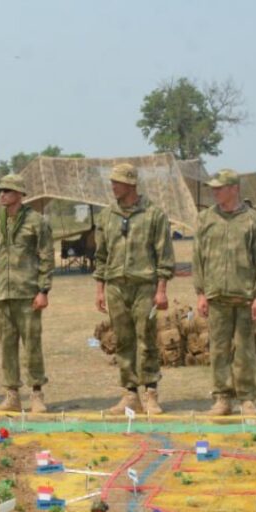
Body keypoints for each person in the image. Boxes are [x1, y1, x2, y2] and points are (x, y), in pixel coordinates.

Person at [94, 162, 174, 415]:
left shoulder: (154, 215)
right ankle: (130, 395)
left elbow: (164, 256)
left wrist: (161, 290)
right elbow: (101, 256)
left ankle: (150, 392)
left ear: (130, 184)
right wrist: (100, 290)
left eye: (117, 183)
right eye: (112, 182)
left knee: (146, 339)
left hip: (145, 287)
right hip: (116, 286)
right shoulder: (106, 216)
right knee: (122, 340)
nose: (113, 187)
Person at [193, 169, 256, 416]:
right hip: (216, 295)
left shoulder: (252, 219)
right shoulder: (206, 219)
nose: (215, 192)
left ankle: (246, 398)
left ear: (234, 189)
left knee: (245, 349)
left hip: (245, 295)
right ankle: (222, 398)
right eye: (213, 188)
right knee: (218, 350)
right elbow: (198, 257)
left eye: (220, 188)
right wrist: (200, 293)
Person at [0, 173, 54, 413]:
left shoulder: (36, 222)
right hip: (2, 295)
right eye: (0, 191)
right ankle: (11, 395)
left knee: (32, 345)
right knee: (7, 346)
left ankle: (36, 394)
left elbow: (46, 257)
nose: (2, 195)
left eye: (7, 191)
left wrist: (43, 290)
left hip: (28, 293)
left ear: (20, 194)